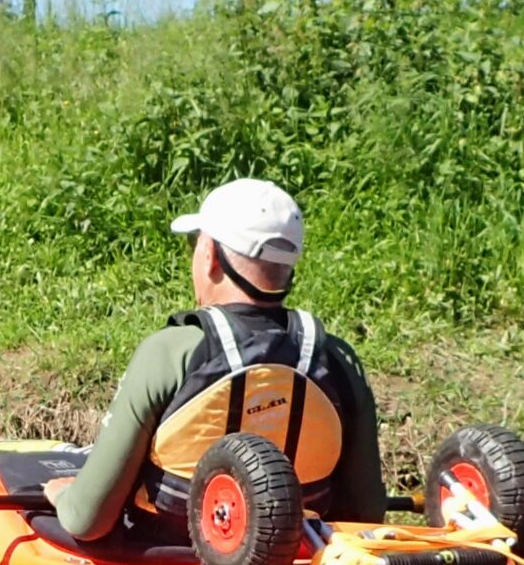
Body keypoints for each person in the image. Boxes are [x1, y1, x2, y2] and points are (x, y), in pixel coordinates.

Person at [52, 178, 383, 544]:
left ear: (209, 254)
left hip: (172, 558)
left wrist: (62, 496)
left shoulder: (170, 352)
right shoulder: (338, 359)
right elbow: (367, 516)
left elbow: (87, 521)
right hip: (298, 564)